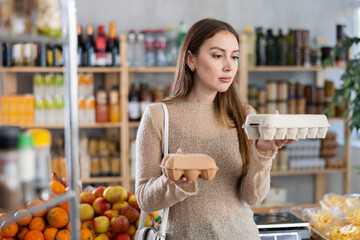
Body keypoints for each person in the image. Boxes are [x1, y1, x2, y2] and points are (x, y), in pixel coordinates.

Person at [135, 18, 297, 240]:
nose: (229, 66)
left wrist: (263, 152)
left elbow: (253, 197)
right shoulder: (158, 115)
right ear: (191, 59)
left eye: (234, 56)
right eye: (218, 55)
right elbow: (145, 199)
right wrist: (171, 182)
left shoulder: (245, 115)